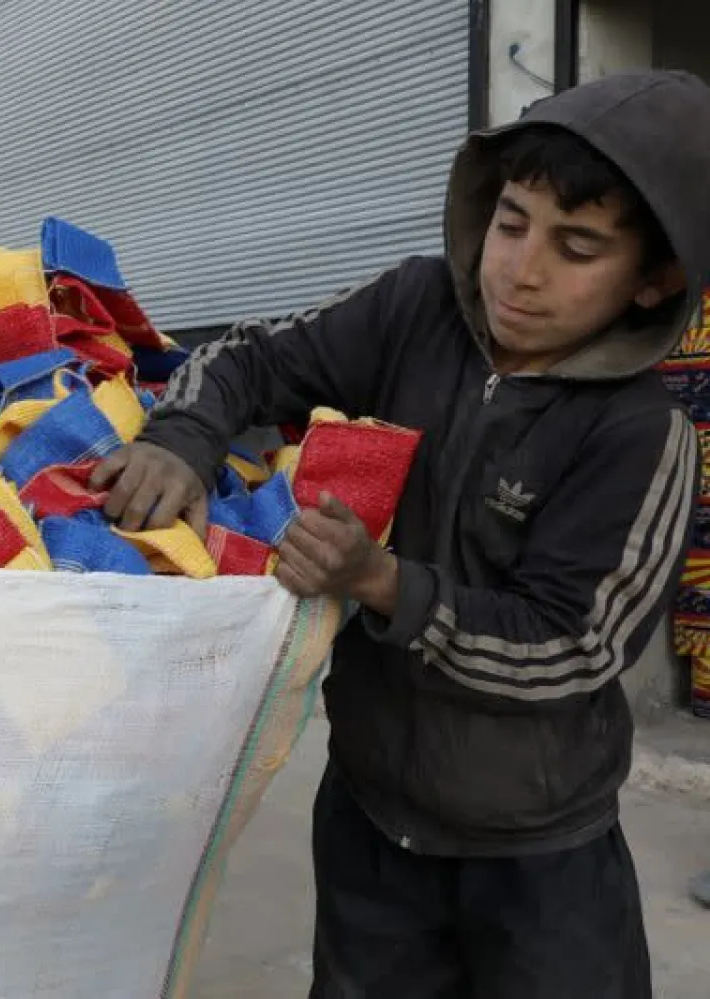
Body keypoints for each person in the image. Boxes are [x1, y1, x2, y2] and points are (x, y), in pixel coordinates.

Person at [93, 71, 710, 998]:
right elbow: (248, 360)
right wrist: (183, 436)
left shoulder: (640, 434)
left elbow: (572, 650)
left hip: (539, 856)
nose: (522, 269)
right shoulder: (413, 308)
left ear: (654, 278)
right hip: (371, 821)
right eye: (511, 223)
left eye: (577, 247)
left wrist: (385, 584)